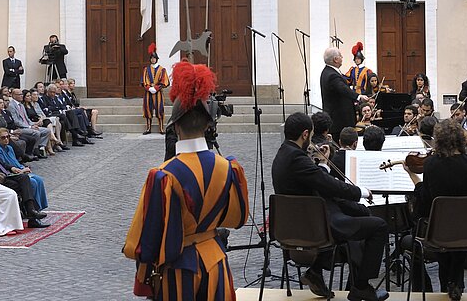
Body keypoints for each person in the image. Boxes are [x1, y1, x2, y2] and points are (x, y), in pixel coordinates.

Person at [124, 60, 249, 300]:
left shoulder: (163, 175)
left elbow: (146, 241)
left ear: (176, 127)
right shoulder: (229, 167)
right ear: (208, 126)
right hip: (216, 262)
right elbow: (237, 218)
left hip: (178, 268)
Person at [272, 112, 388, 301]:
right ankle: (360, 286)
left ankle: (316, 272)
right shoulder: (297, 159)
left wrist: (324, 164)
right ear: (305, 134)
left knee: (358, 217)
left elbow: (315, 178)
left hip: (296, 222)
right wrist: (360, 192)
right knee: (379, 226)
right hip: (313, 225)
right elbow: (330, 185)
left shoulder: (284, 153)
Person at [403, 119, 467, 299]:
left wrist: (413, 176)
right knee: (459, 235)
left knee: (427, 236)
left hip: (440, 231)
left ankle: (447, 284)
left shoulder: (431, 164)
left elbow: (426, 201)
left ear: (439, 140)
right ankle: (455, 283)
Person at [0, 132, 49, 228]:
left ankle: (31, 211)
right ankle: (31, 213)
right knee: (28, 183)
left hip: (7, 174)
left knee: (26, 179)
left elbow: (2, 164)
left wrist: (11, 168)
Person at [320, 47, 368, 143]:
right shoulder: (332, 75)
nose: (342, 57)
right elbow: (343, 88)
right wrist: (358, 96)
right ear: (335, 59)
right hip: (339, 121)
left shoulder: (329, 71)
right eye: (340, 56)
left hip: (339, 120)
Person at [141, 43, 169, 135]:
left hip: (158, 93)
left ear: (156, 59)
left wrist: (156, 88)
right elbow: (144, 80)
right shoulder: (146, 69)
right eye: (151, 58)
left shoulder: (162, 69)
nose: (153, 59)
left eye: (154, 58)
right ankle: (148, 128)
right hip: (148, 93)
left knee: (159, 110)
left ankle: (161, 128)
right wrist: (149, 88)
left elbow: (165, 81)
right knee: (148, 109)